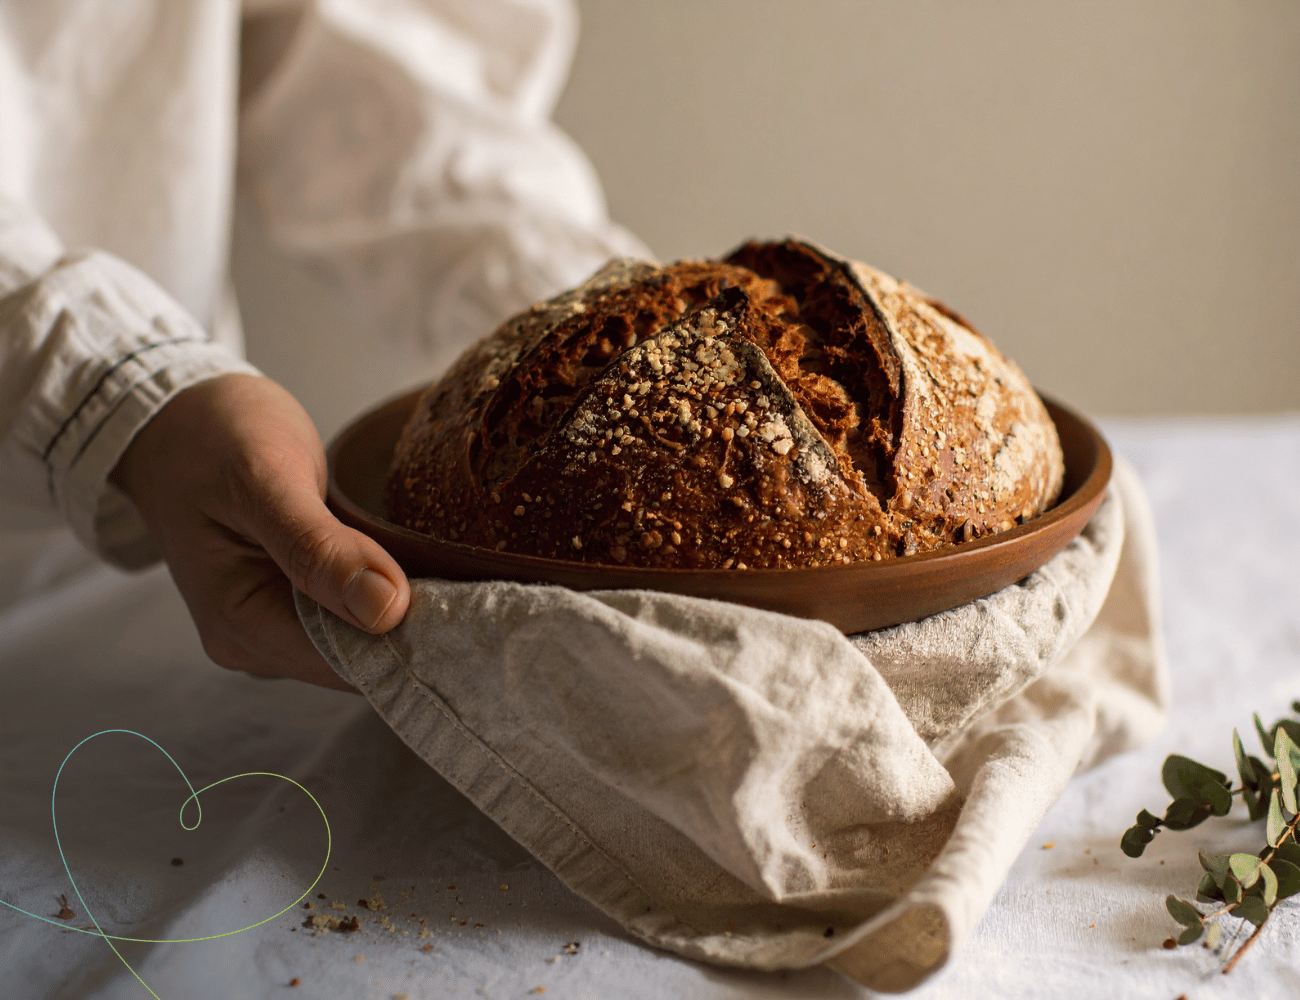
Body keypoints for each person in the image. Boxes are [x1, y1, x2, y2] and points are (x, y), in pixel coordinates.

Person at [0, 0, 646, 690]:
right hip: (151, 497)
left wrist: (589, 323)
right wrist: (124, 390)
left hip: (138, 577)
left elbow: (339, 43)